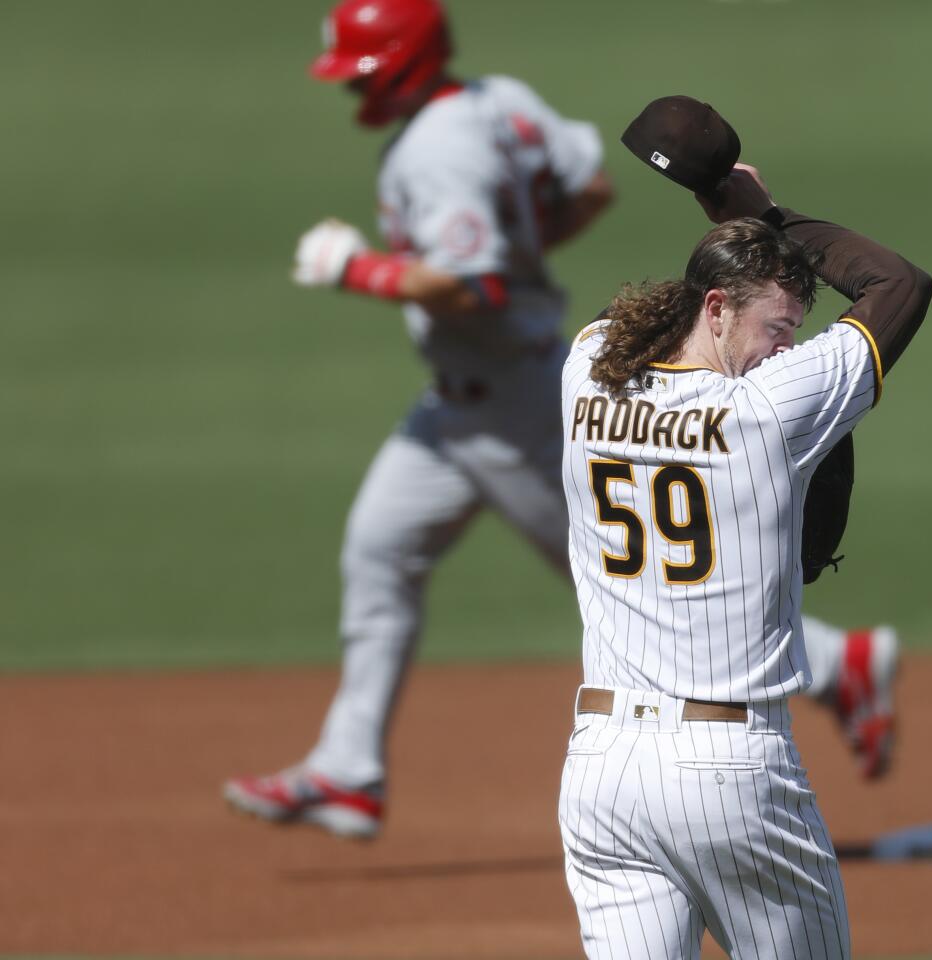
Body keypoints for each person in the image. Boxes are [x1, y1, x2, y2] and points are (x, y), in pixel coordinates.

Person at [223, 1, 895, 843]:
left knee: (623, 569)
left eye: (365, 72)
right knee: (380, 551)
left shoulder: (438, 151)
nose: (356, 91)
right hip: (453, 405)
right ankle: (349, 767)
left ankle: (838, 664)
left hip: (512, 403)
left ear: (402, 62)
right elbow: (592, 187)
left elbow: (472, 288)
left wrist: (360, 269)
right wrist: (519, 246)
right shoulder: (497, 100)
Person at [556, 101, 932, 958]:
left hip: (602, 775)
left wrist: (726, 219)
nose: (782, 349)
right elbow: (897, 285)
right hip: (731, 772)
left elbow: (651, 316)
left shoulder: (588, 371)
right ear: (718, 309)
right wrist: (759, 212)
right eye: (776, 328)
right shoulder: (768, 410)